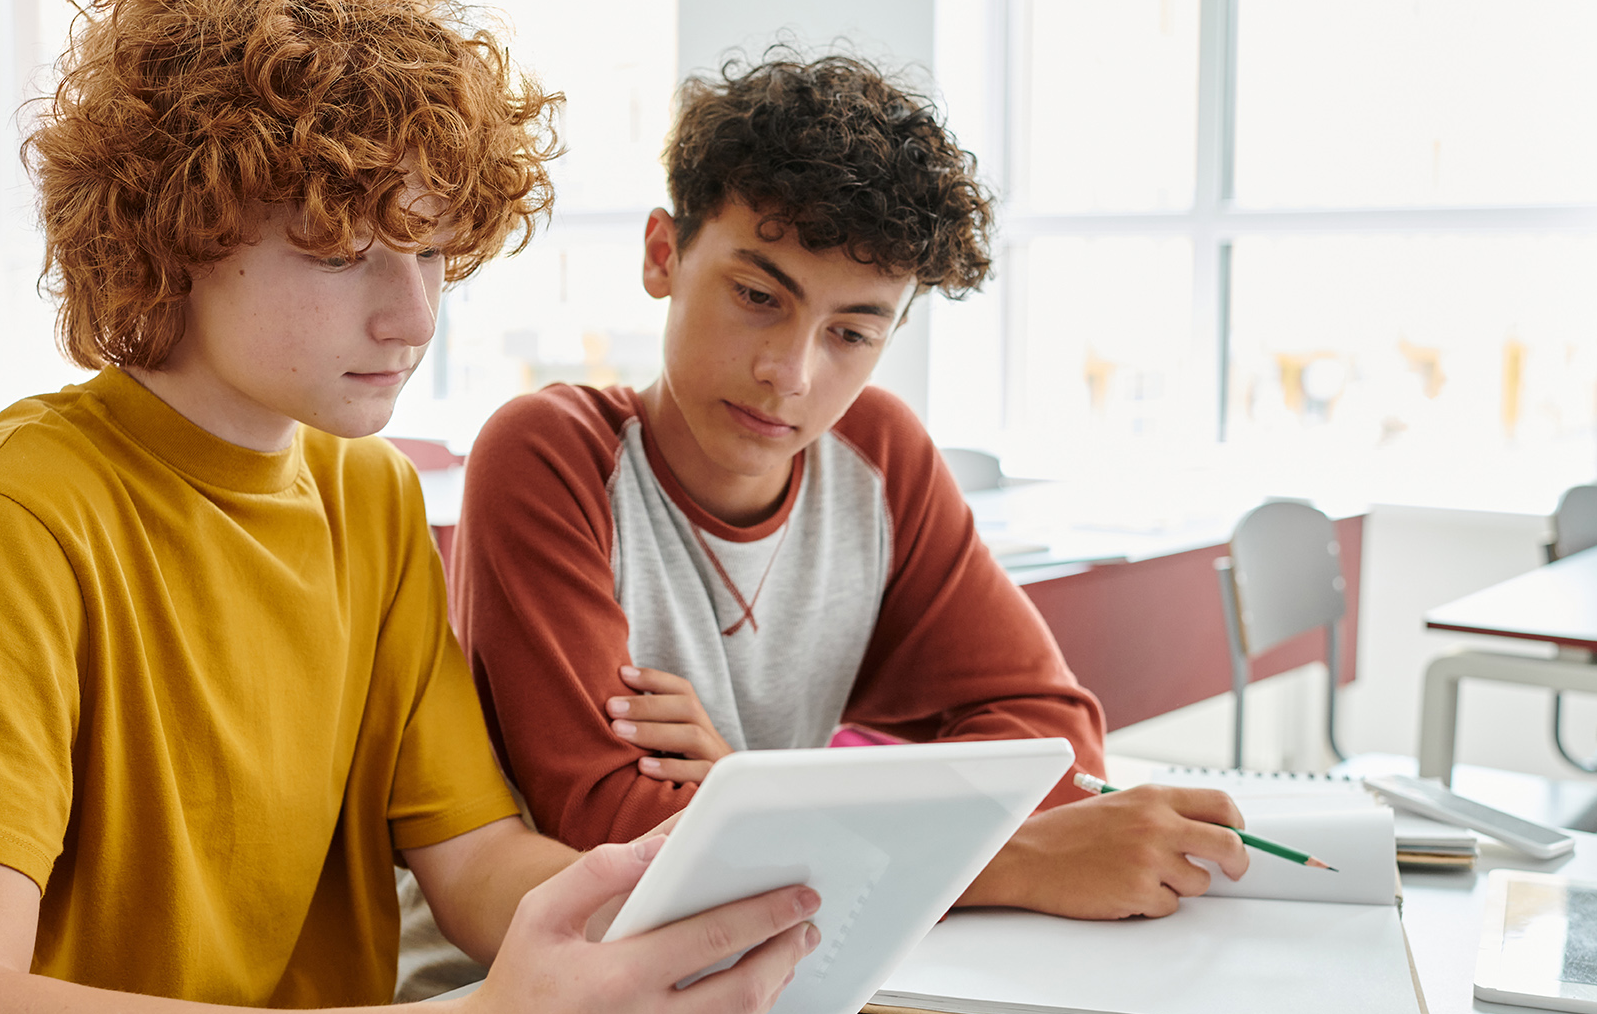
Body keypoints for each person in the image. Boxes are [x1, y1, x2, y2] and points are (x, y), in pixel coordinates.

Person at [0, 0, 820, 1014]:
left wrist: (690, 919)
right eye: (342, 257)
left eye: (436, 254)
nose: (413, 316)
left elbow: (480, 854)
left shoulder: (368, 495)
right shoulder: (12, 513)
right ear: (167, 235)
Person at [444, 55, 1250, 963]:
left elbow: (1050, 741)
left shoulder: (877, 455)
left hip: (779, 973)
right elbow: (618, 836)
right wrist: (1014, 860)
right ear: (663, 254)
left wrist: (753, 788)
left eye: (852, 333)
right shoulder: (549, 456)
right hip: (530, 988)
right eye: (758, 296)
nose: (791, 375)